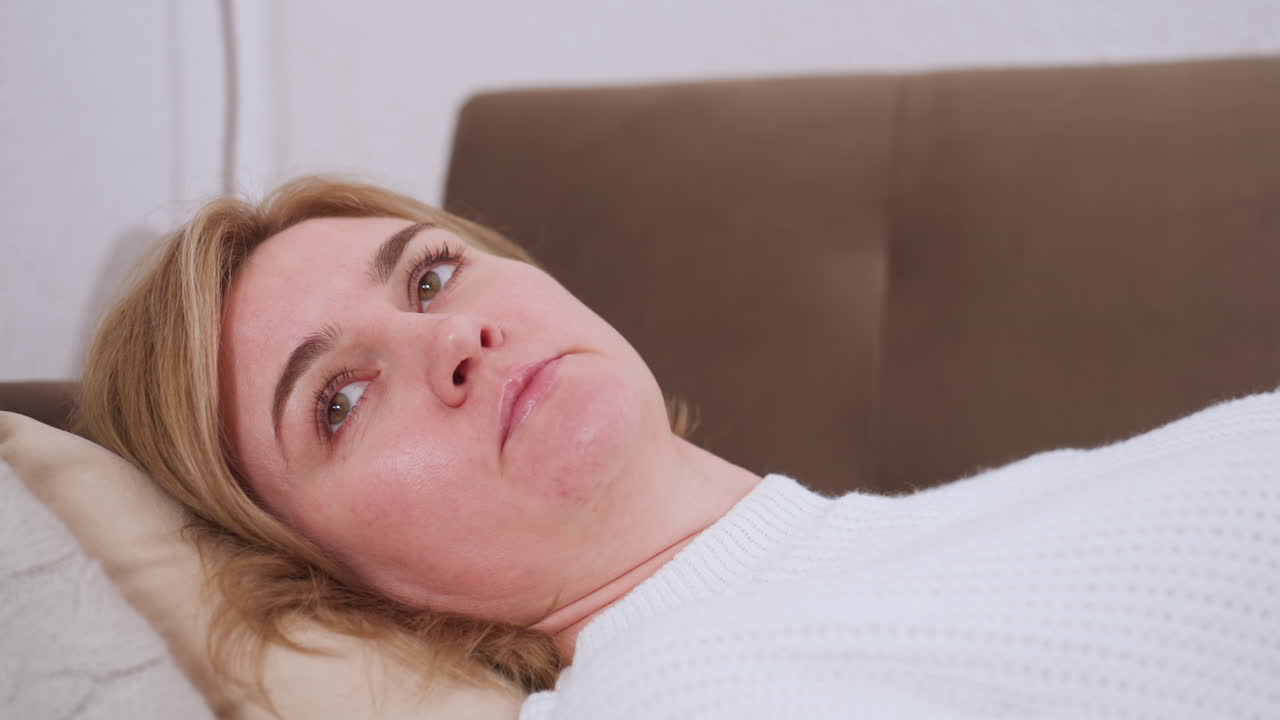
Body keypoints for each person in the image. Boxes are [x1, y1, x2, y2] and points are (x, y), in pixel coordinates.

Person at [78, 176, 1280, 719]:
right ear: (315, 574)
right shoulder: (676, 694)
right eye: (338, 399)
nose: (451, 337)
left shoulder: (928, 539)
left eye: (431, 272)